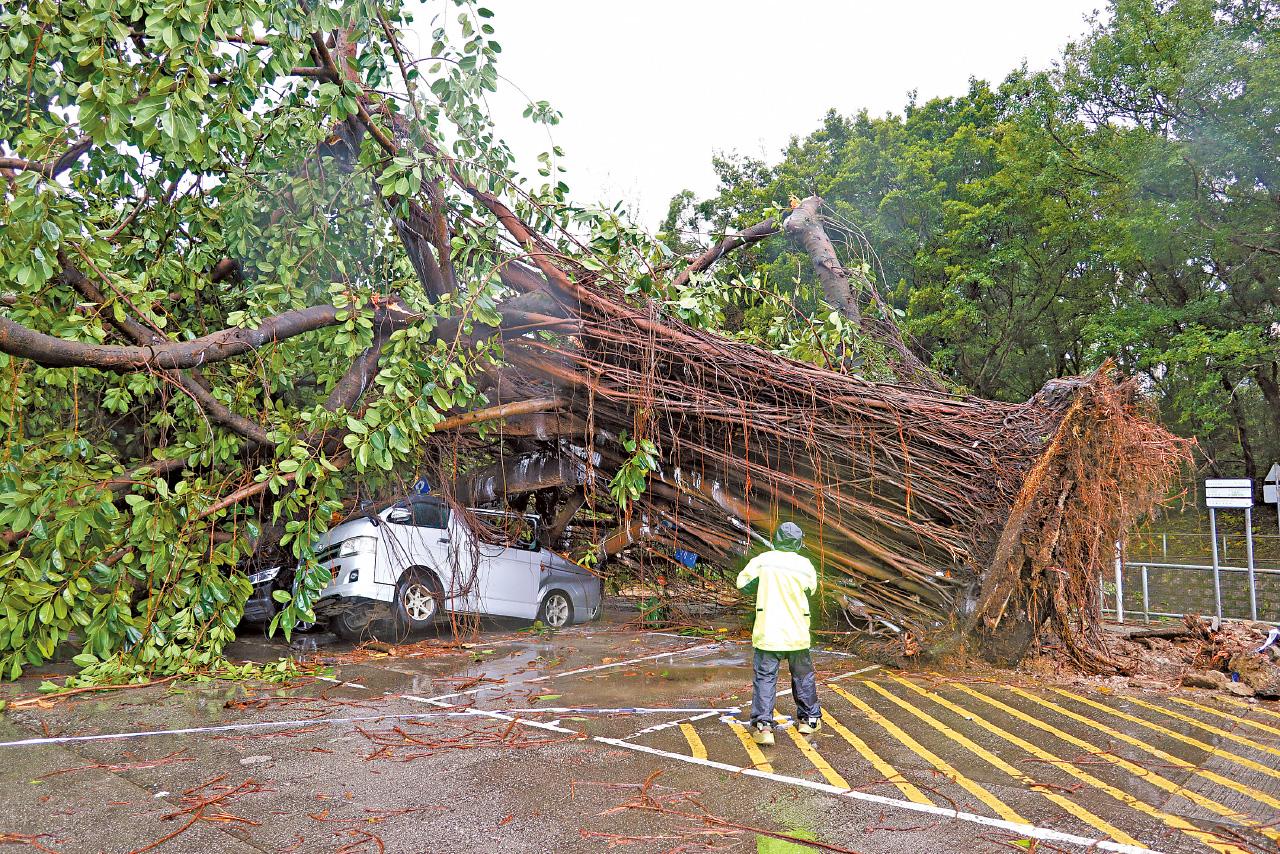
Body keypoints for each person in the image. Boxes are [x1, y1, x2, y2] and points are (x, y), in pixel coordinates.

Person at [735, 522, 820, 746]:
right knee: (803, 677)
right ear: (799, 543)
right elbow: (812, 590)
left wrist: (762, 586)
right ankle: (809, 720)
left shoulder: (763, 561)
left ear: (775, 540)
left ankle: (764, 727)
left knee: (765, 678)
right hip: (796, 632)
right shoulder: (805, 565)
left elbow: (742, 583)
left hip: (768, 631)